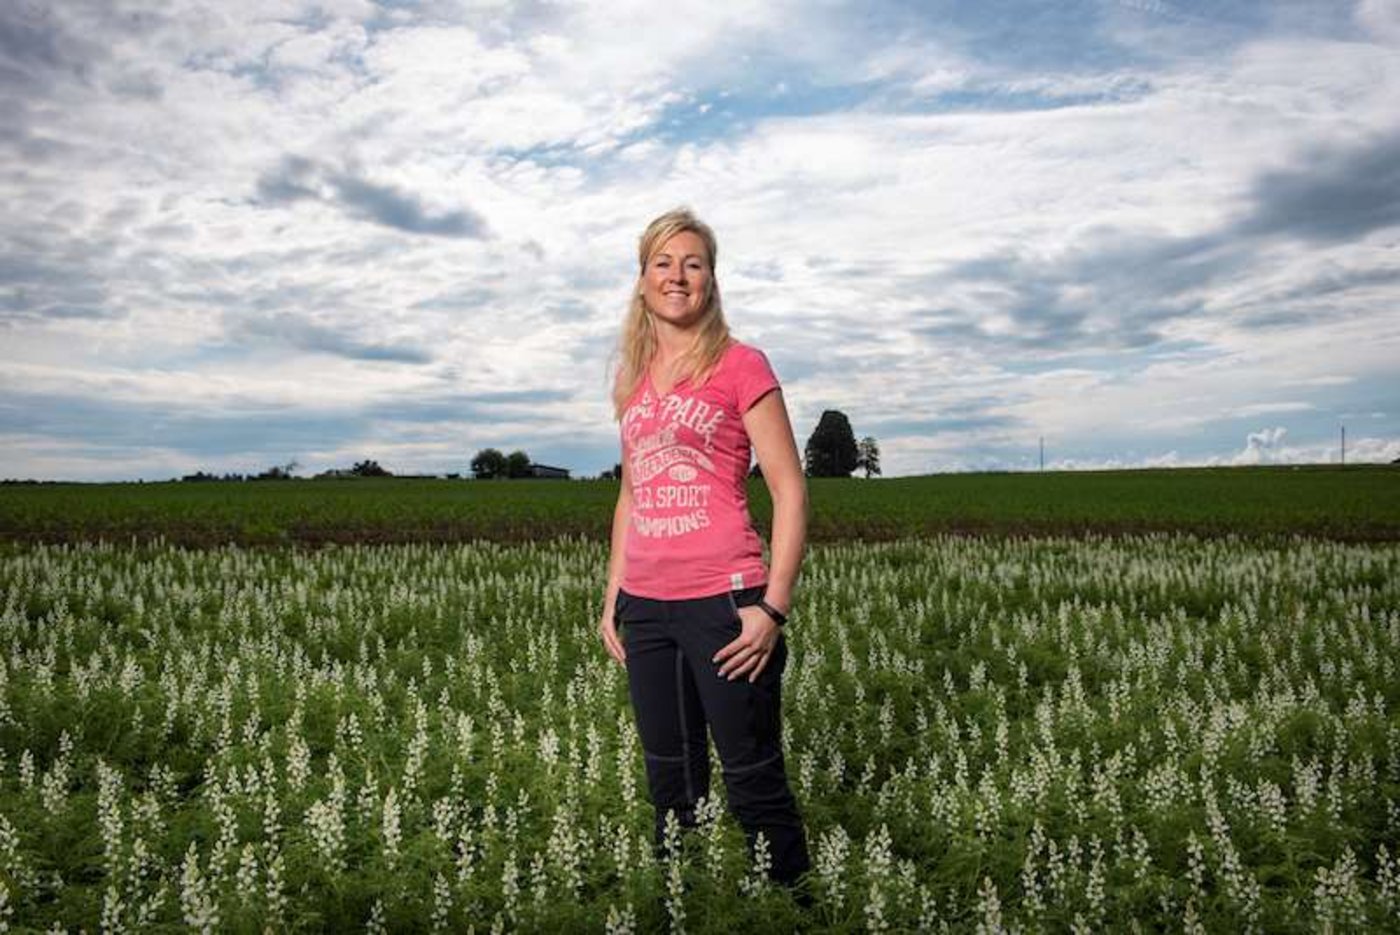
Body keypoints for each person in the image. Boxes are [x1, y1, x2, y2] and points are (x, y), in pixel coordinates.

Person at [597, 207, 812, 890]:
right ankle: (683, 906)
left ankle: (793, 907)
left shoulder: (741, 364)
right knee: (669, 786)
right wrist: (613, 596)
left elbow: (789, 488)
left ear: (711, 281)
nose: (677, 275)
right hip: (648, 609)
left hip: (725, 602)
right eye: (663, 262)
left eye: (693, 263)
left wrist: (771, 607)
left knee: (753, 780)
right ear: (641, 281)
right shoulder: (632, 379)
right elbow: (631, 494)